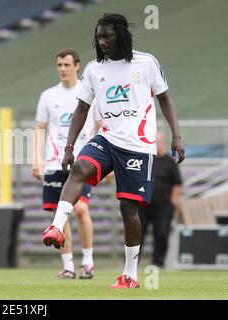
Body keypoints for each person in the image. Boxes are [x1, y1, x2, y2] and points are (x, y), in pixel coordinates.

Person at [41, 13, 185, 289]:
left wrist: (176, 137)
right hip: (107, 139)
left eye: (107, 36)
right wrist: (70, 147)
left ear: (121, 34)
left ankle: (129, 274)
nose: (102, 41)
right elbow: (82, 108)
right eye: (99, 37)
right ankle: (57, 227)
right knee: (81, 167)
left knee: (128, 207)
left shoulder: (146, 62)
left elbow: (165, 98)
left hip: (138, 146)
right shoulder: (95, 69)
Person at [33, 48, 102, 280]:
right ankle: (69, 266)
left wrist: (107, 159)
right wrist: (36, 159)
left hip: (83, 161)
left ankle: (89, 263)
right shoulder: (48, 96)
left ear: (77, 66)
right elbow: (39, 129)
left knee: (81, 209)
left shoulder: (89, 92)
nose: (62, 69)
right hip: (54, 163)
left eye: (66, 65)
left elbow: (101, 124)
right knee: (58, 216)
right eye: (59, 65)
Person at [139, 132, 182, 267]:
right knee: (137, 233)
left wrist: (173, 201)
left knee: (161, 233)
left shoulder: (169, 161)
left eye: (157, 142)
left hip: (163, 205)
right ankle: (132, 262)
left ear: (162, 142)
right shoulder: (145, 158)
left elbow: (177, 183)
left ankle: (158, 262)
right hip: (143, 203)